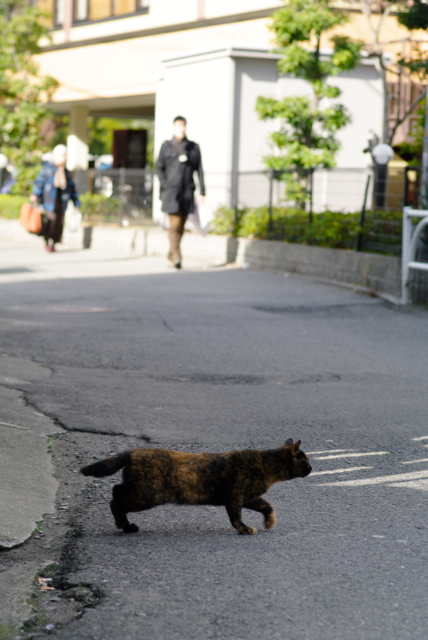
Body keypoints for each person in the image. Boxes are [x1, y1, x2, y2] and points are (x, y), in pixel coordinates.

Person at [156, 116, 205, 269]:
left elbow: (199, 170)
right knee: (175, 224)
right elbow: (159, 168)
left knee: (181, 226)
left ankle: (171, 255)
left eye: (183, 126)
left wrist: (202, 191)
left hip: (187, 192)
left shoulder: (193, 147)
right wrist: (165, 185)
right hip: (171, 193)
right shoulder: (166, 147)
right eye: (178, 126)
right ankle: (177, 256)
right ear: (174, 127)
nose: (181, 129)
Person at [30, 144, 80, 252]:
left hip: (62, 201)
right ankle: (47, 241)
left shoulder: (66, 171)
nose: (63, 158)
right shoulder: (48, 169)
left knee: (59, 223)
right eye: (61, 155)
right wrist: (35, 194)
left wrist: (76, 202)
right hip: (49, 200)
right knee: (50, 221)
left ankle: (53, 242)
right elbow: (40, 182)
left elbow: (72, 188)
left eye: (64, 155)